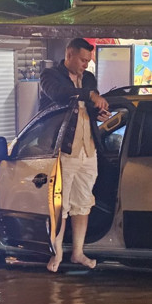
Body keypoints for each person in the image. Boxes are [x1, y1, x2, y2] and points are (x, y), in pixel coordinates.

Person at [40, 38, 109, 272]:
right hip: (64, 150)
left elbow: (90, 103)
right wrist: (89, 96)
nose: (86, 65)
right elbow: (61, 95)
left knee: (84, 203)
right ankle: (57, 253)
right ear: (68, 55)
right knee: (61, 205)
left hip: (88, 150)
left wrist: (98, 111)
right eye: (82, 60)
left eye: (89, 61)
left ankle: (78, 253)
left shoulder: (88, 78)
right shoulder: (50, 76)